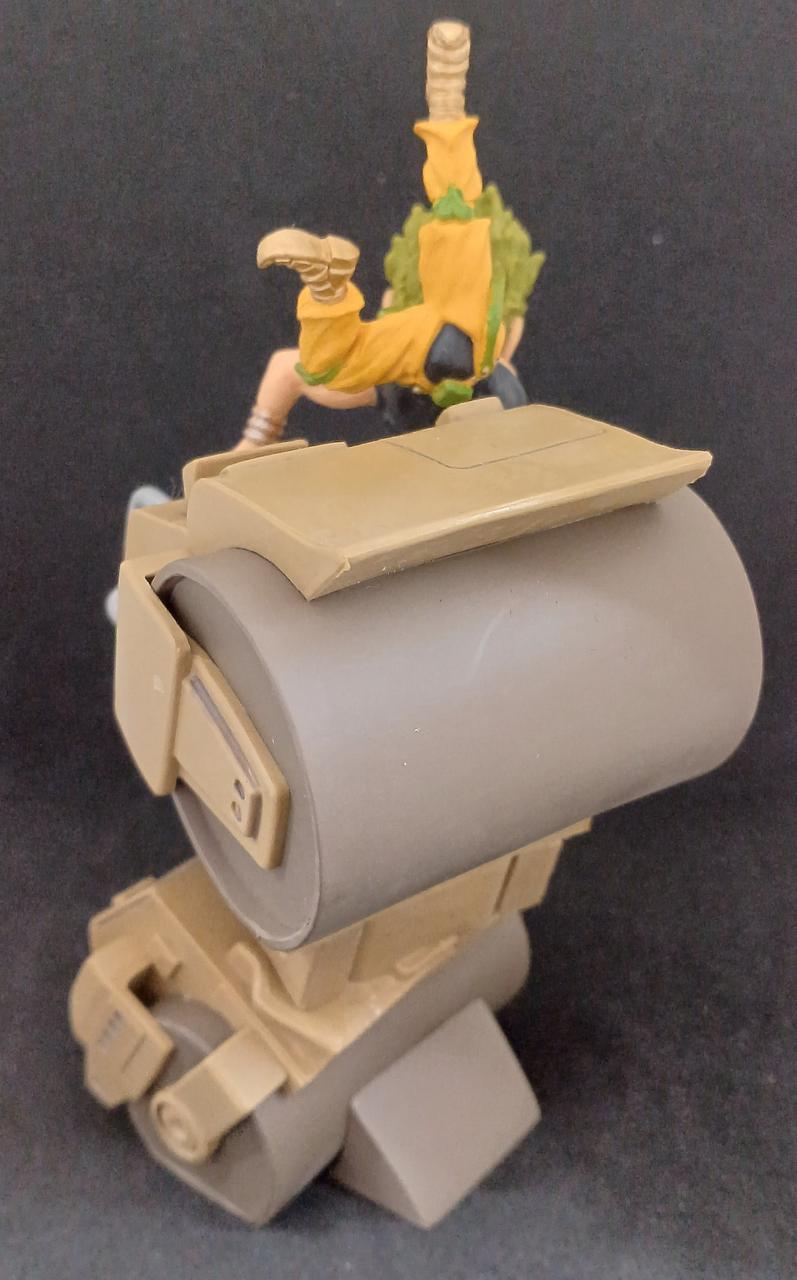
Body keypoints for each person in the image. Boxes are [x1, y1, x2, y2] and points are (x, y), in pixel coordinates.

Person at [238, 21, 545, 449]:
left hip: (440, 361)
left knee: (454, 217)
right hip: (435, 360)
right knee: (455, 214)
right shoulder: (465, 345)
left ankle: (328, 295)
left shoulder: (472, 351)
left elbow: (294, 369)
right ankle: (328, 296)